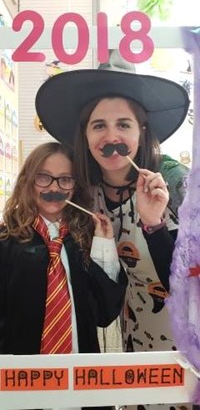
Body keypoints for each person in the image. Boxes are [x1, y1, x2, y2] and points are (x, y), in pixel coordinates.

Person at [35, 52, 191, 409]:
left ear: (141, 131)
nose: (111, 137)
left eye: (123, 124)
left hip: (184, 344)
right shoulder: (85, 194)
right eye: (98, 125)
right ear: (86, 135)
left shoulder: (175, 184)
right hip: (132, 341)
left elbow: (188, 281)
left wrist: (153, 225)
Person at [0, 141, 127, 410]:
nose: (54, 188)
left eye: (65, 179)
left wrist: (104, 244)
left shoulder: (84, 239)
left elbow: (104, 313)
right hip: (21, 382)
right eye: (43, 177)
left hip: (81, 381)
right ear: (27, 181)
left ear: (75, 186)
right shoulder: (6, 241)